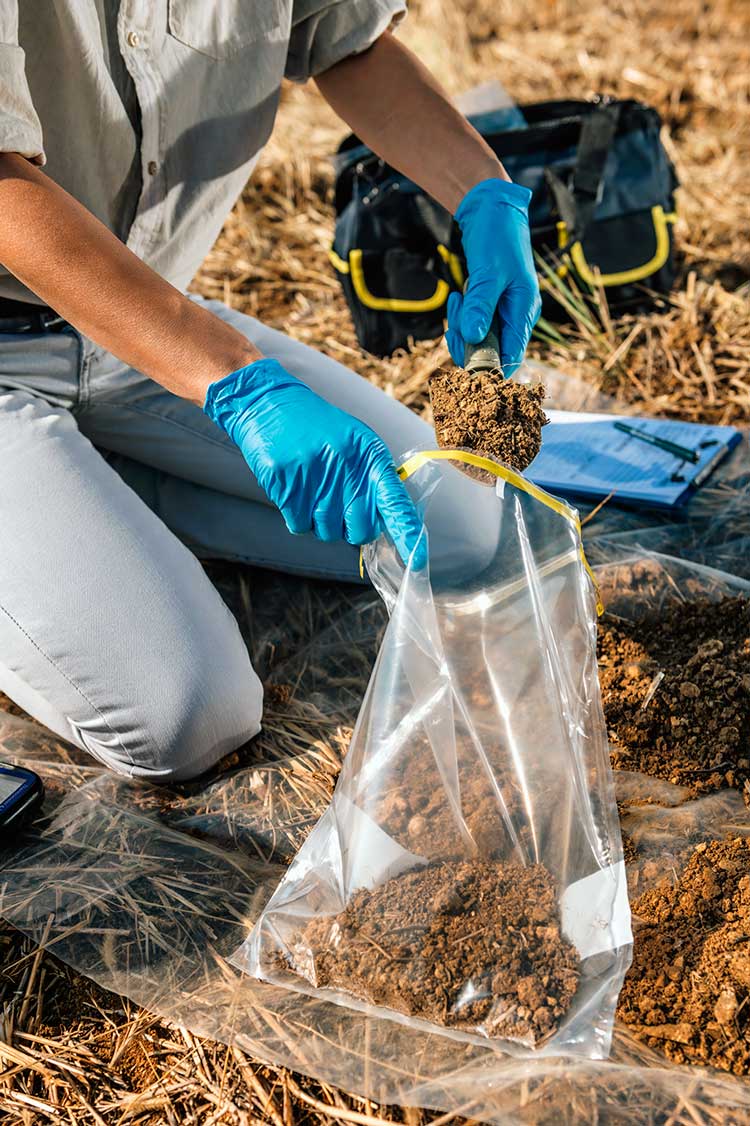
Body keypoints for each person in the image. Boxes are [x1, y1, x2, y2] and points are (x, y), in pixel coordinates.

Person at [0, 2, 541, 782]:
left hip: (143, 326)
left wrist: (484, 194)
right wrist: (237, 385)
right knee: (187, 717)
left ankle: (105, 487)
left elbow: (345, 43)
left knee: (458, 533)